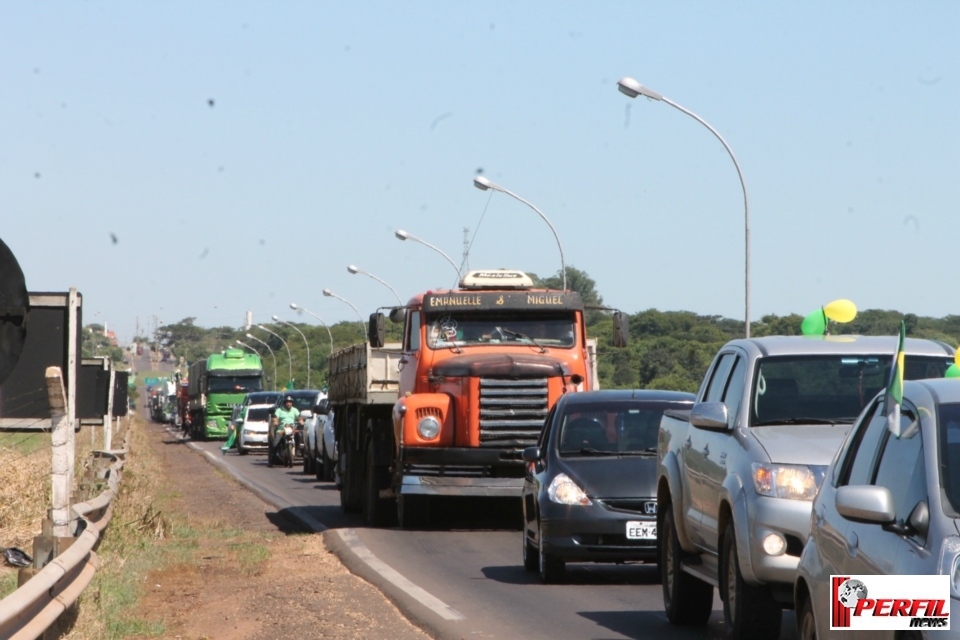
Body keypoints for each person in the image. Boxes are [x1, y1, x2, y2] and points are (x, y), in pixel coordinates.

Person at [269, 395, 302, 466]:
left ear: (292, 403)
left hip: (292, 429)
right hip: (281, 430)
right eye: (287, 402)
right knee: (275, 444)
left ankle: (297, 451)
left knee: (299, 435)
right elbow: (275, 417)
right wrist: (275, 421)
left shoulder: (295, 410)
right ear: (284, 403)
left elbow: (299, 417)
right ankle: (272, 460)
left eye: (290, 402)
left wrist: (301, 421)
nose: (288, 403)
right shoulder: (279, 410)